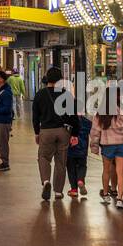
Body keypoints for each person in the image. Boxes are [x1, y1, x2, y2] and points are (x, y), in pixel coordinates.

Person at [90, 85, 123, 209]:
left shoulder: (100, 112)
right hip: (122, 144)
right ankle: (120, 199)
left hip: (107, 145)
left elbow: (95, 131)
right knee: (120, 172)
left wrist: (94, 146)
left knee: (106, 170)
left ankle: (105, 194)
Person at [31, 66, 71, 200]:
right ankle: (58, 191)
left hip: (46, 130)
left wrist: (37, 132)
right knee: (61, 162)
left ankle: (46, 181)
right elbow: (72, 115)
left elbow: (35, 116)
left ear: (47, 78)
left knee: (43, 157)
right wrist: (75, 133)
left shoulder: (40, 94)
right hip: (63, 131)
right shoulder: (66, 93)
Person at [66, 109, 91, 199]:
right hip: (82, 150)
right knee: (82, 166)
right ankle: (80, 180)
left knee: (71, 169)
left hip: (70, 150)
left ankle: (74, 190)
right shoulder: (87, 122)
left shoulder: (68, 122)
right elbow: (93, 133)